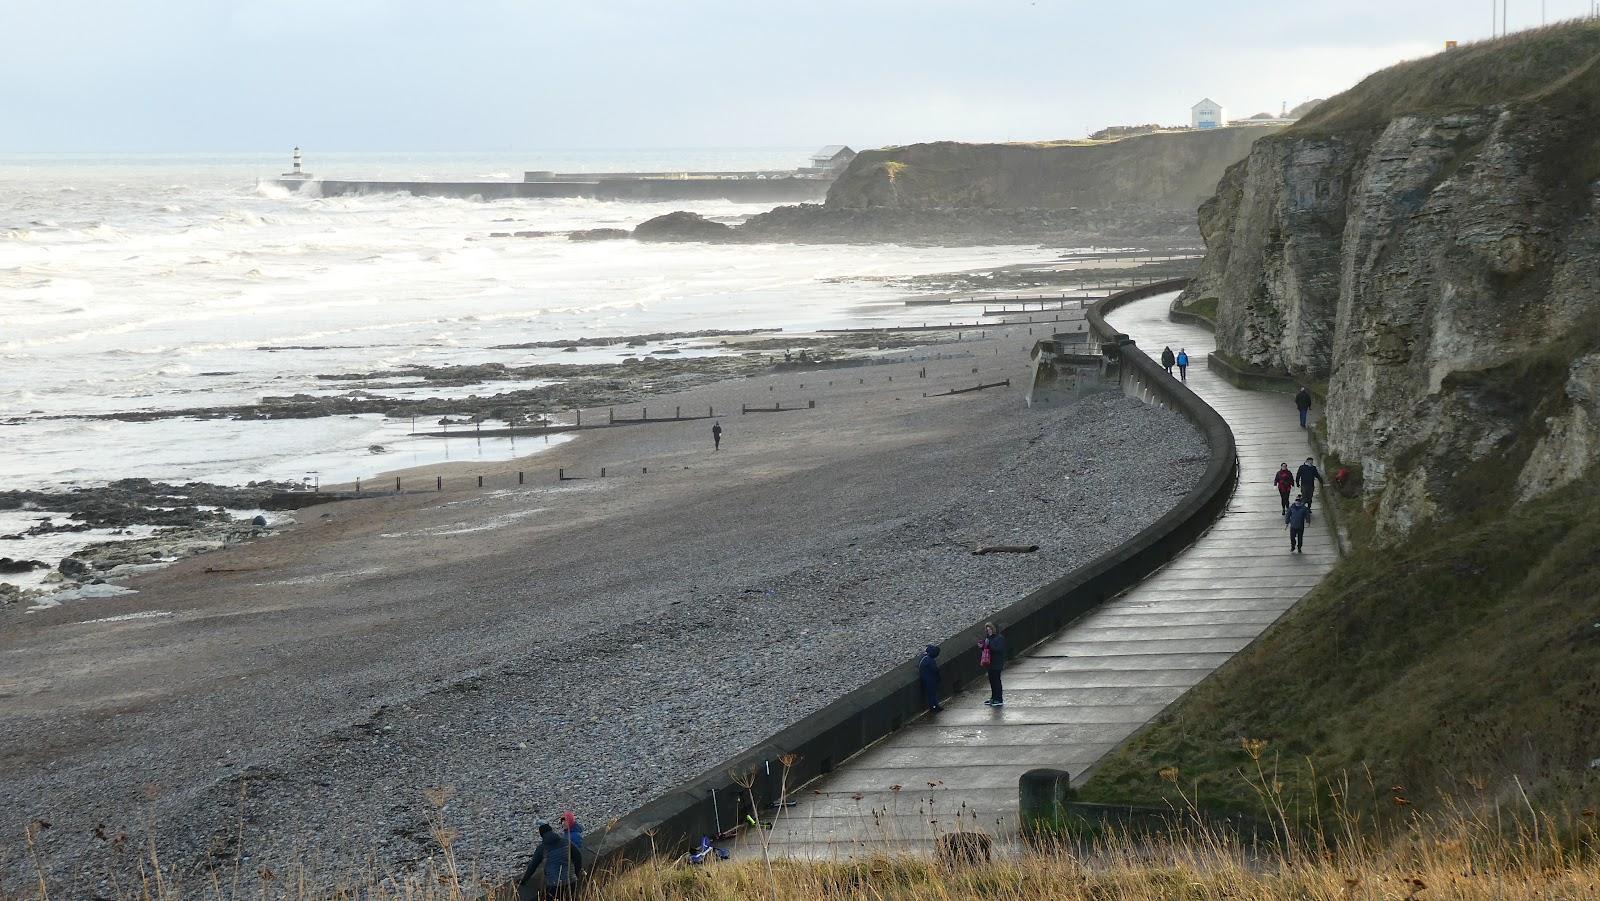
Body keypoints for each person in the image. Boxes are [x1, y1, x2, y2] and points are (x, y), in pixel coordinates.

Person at [519, 822, 581, 899]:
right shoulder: (566, 842)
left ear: (541, 835)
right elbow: (578, 857)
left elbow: (532, 867)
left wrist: (523, 881)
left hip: (554, 885)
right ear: (552, 831)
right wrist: (576, 874)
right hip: (571, 882)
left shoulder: (542, 849)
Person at [979, 622, 1007, 708]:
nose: (989, 631)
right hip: (990, 663)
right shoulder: (988, 638)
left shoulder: (999, 638)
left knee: (996, 681)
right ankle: (994, 697)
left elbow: (999, 649)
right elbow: (987, 650)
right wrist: (982, 646)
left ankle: (999, 699)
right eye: (987, 630)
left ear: (993, 629)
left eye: (990, 629)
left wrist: (989, 645)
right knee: (992, 681)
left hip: (997, 663)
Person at [919, 644, 943, 714]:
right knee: (932, 694)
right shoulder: (930, 661)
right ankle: (934, 707)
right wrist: (938, 678)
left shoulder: (924, 659)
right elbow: (935, 670)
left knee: (932, 694)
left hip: (927, 679)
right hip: (930, 680)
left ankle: (935, 706)